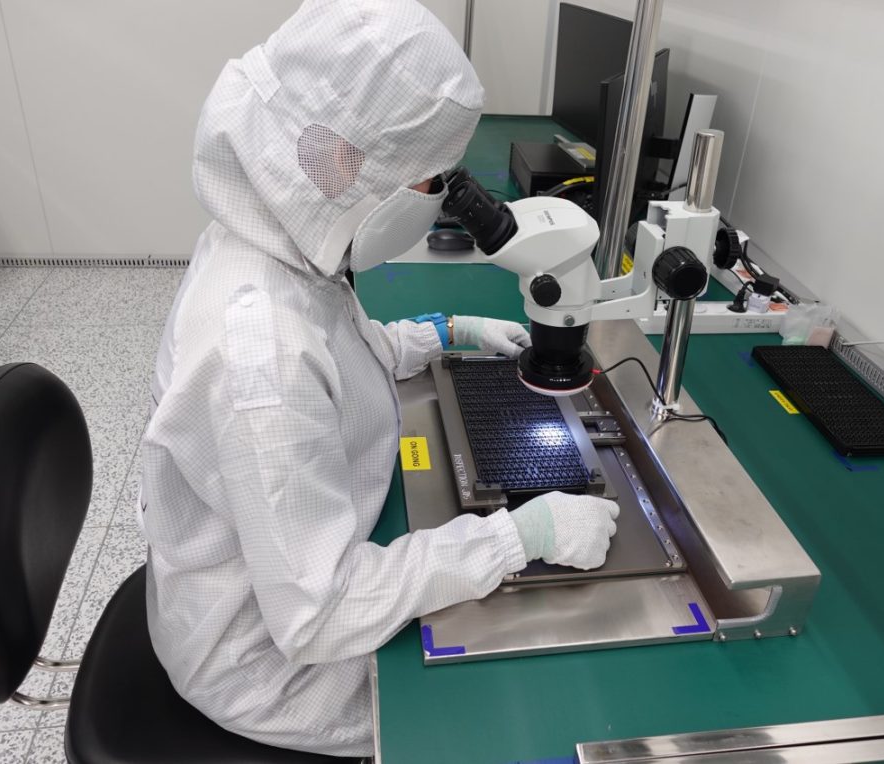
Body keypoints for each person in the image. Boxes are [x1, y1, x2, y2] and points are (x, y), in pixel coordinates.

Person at [141, 0, 620, 758]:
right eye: (431, 179)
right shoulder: (260, 352)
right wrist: (518, 536)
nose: (436, 197)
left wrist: (444, 334)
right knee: (538, 703)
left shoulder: (272, 238)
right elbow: (323, 613)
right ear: (341, 164)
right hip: (271, 668)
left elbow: (337, 356)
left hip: (269, 589)